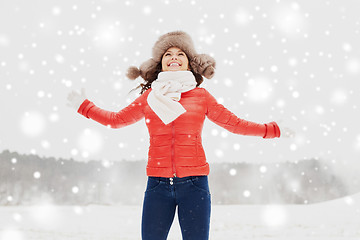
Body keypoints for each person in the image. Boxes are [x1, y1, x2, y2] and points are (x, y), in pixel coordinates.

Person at [67, 31, 293, 240]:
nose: (173, 57)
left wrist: (272, 129)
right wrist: (84, 106)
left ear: (189, 62)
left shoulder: (201, 96)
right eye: (168, 54)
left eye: (180, 53)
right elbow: (115, 120)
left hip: (194, 185)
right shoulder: (149, 98)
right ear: (160, 63)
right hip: (157, 185)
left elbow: (234, 124)